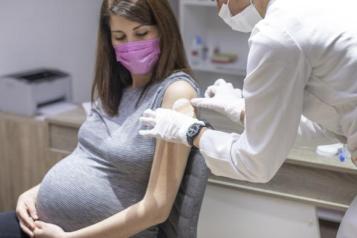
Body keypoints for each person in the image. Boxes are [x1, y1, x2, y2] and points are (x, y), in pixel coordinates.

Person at [139, 0, 357, 237]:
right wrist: (246, 113)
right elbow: (331, 120)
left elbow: (256, 164)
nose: (219, 8)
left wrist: (191, 132)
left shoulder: (277, 34)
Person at [0, 0, 201, 237]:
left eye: (142, 33)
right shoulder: (116, 89)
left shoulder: (175, 93)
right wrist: (33, 193)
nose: (131, 44)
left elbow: (157, 208)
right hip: (42, 224)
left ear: (163, 30)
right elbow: (86, 158)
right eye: (119, 36)